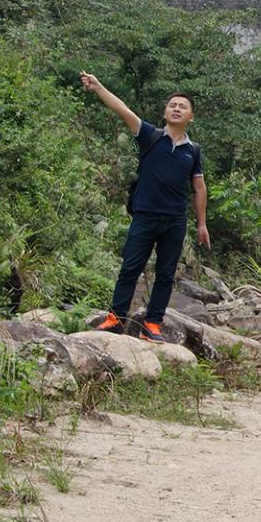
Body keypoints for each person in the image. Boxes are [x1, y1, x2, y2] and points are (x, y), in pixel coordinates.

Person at [80, 73, 209, 340]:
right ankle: (116, 318)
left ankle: (152, 325)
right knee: (130, 267)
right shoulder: (150, 135)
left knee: (165, 274)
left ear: (191, 117)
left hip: (175, 220)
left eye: (182, 106)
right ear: (165, 112)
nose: (176, 108)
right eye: (172, 105)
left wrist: (202, 224)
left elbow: (199, 188)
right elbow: (123, 110)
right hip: (145, 215)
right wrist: (99, 86)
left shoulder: (193, 150)